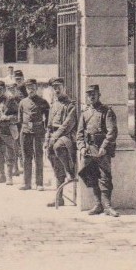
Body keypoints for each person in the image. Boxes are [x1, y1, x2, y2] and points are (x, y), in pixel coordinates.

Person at [77, 84, 119, 217]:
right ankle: (98, 204)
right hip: (89, 149)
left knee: (105, 177)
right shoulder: (85, 113)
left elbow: (112, 132)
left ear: (99, 95)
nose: (92, 96)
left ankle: (107, 206)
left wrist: (104, 147)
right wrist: (82, 147)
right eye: (89, 94)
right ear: (87, 97)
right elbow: (79, 134)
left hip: (102, 150)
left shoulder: (107, 111)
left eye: (94, 93)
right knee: (91, 176)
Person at [45, 77, 79, 207]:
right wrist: (48, 138)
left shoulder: (71, 105)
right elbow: (48, 124)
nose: (57, 89)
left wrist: (54, 137)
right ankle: (59, 199)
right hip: (53, 136)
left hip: (66, 136)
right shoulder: (53, 104)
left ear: (64, 88)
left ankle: (69, 171)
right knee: (50, 154)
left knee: (58, 147)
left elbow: (67, 125)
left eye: (59, 86)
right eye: (54, 87)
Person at [17, 79, 50, 191]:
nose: (30, 90)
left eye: (32, 88)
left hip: (38, 132)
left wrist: (44, 131)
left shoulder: (43, 102)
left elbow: (48, 119)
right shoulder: (22, 102)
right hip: (25, 132)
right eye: (28, 88)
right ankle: (26, 183)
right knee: (26, 157)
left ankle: (39, 183)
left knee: (38, 157)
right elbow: (20, 119)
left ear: (36, 88)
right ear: (26, 89)